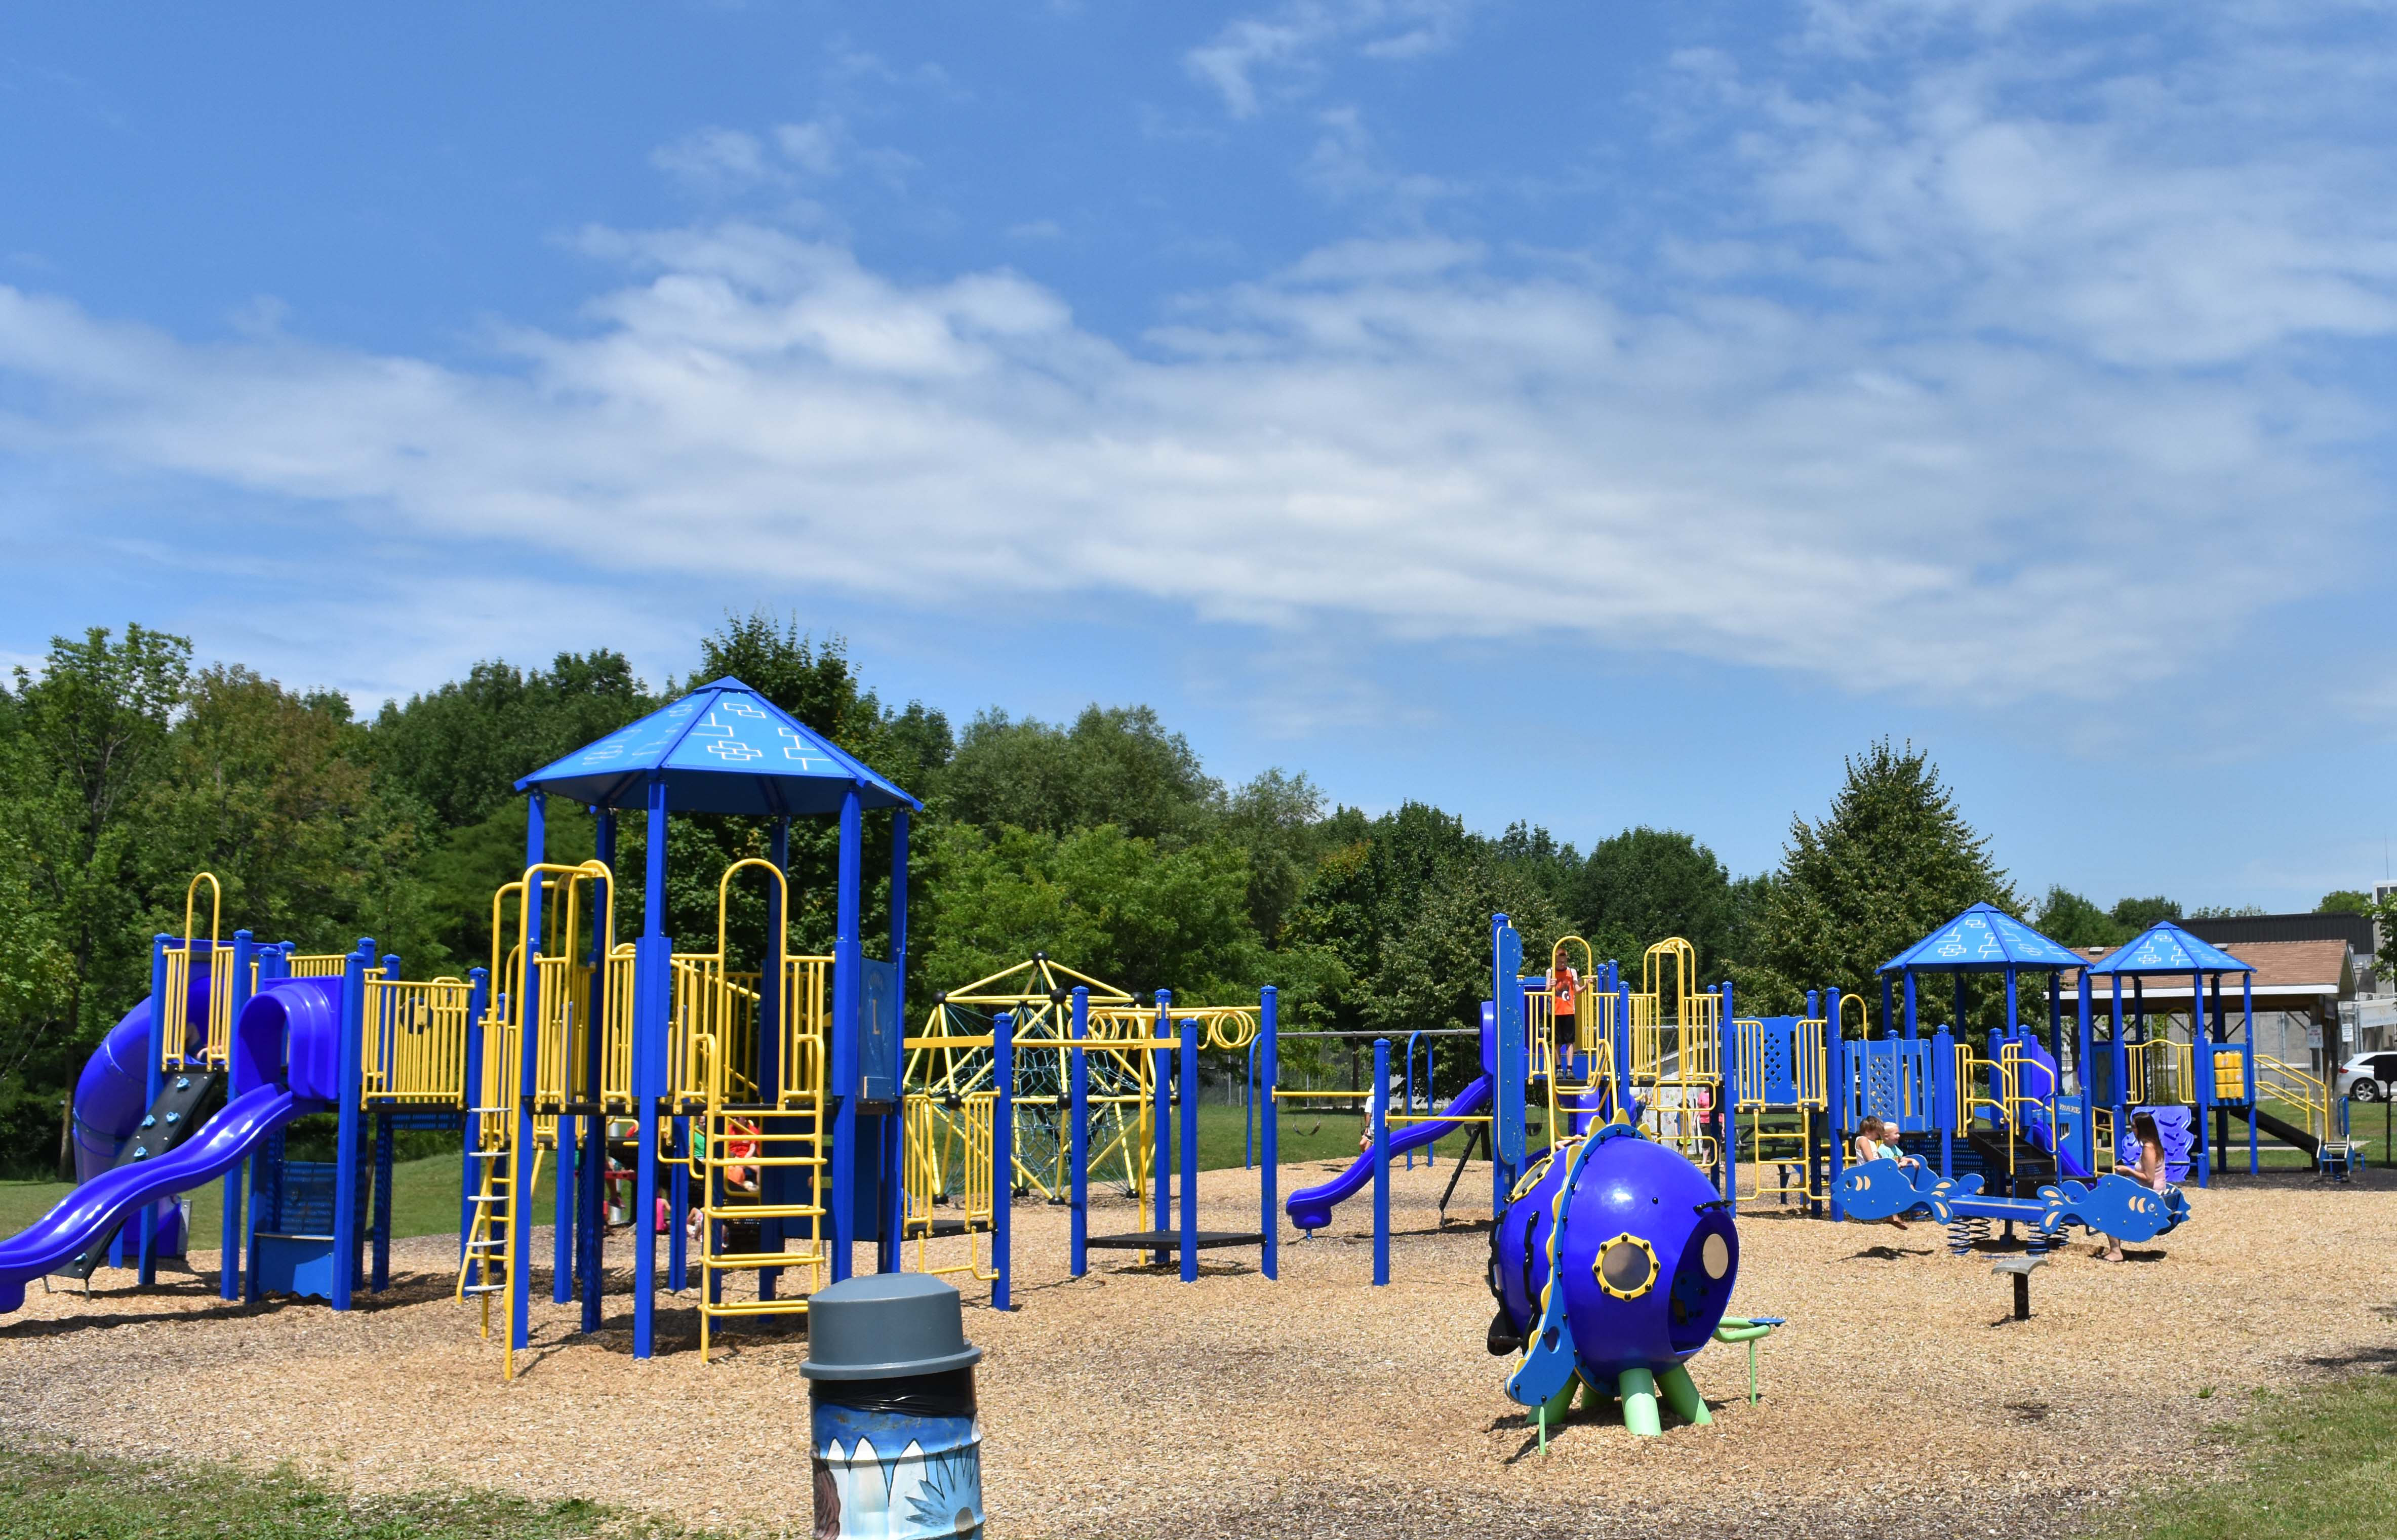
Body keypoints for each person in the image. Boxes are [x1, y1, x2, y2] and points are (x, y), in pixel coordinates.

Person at [2096, 1110, 2170, 1263]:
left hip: (2150, 1199)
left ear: (2143, 1128)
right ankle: (2116, 1248)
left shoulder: (2148, 1149)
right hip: (2153, 1195)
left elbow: (2149, 1179)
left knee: (2106, 1209)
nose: (2132, 1130)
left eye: (2134, 1126)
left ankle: (2116, 1252)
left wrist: (2128, 1171)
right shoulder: (2155, 1145)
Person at [1851, 1116, 1915, 1229]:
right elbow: (1871, 1161)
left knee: (1894, 1186)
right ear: (1868, 1131)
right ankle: (1893, 1215)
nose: (1878, 1136)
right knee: (1892, 1187)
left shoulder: (1870, 1142)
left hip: (1873, 1172)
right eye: (1877, 1134)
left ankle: (1892, 1215)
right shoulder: (1863, 1140)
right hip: (1868, 1174)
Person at [1549, 951, 1581, 1051]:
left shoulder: (1572, 972)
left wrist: (1587, 985)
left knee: (1570, 1041)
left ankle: (1569, 1067)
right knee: (1557, 1041)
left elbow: (1578, 990)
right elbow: (1547, 991)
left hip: (1569, 1010)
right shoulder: (1551, 972)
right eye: (1560, 962)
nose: (1562, 964)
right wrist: (1551, 985)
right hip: (1555, 1011)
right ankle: (1558, 1067)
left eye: (1564, 962)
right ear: (1555, 961)